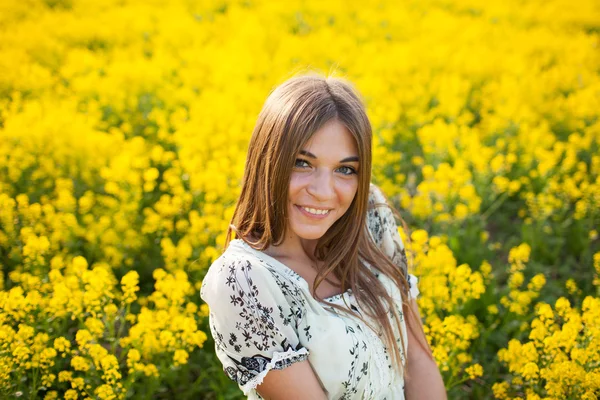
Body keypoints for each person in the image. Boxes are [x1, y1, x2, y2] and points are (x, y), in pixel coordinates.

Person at [200, 73, 446, 399]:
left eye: (345, 169)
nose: (322, 192)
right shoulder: (243, 280)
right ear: (268, 161)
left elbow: (418, 361)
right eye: (302, 163)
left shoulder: (370, 215)